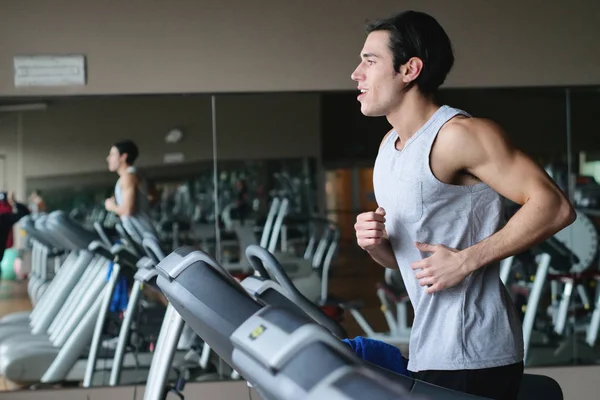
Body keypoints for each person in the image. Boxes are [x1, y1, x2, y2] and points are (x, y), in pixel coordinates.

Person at [351, 10, 575, 400]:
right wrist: (376, 245)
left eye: (370, 61)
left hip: (477, 352)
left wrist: (466, 260)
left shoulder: (459, 136)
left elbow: (554, 206)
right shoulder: (389, 147)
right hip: (429, 349)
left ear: (410, 69)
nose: (357, 73)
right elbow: (409, 264)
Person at [105, 139, 156, 243]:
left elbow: (128, 210)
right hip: (140, 234)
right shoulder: (133, 175)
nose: (108, 158)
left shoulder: (128, 177)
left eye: (112, 154)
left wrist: (111, 206)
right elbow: (154, 197)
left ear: (123, 157)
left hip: (141, 236)